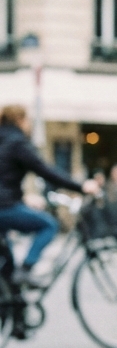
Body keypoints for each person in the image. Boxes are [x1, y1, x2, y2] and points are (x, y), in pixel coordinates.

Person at [0, 105, 99, 285]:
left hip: (5, 204)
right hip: (5, 208)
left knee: (7, 267)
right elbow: (45, 171)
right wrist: (81, 186)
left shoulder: (4, 140)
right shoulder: (17, 142)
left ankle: (14, 306)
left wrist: (22, 198)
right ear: (20, 120)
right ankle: (27, 269)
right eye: (27, 120)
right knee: (49, 225)